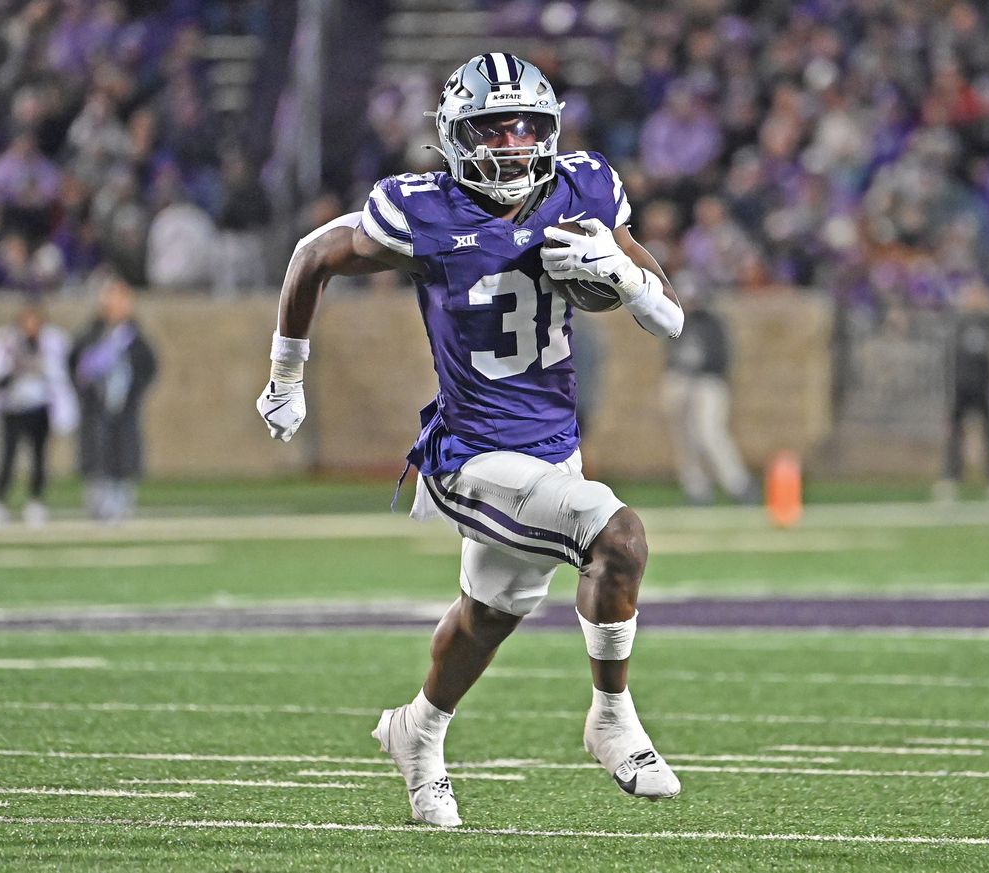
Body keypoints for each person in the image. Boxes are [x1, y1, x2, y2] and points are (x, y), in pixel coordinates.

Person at [257, 53, 686, 827]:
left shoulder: (584, 187)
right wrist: (287, 372)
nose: (514, 145)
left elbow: (670, 317)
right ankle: (610, 716)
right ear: (457, 135)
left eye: (528, 129)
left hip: (553, 446)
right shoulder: (424, 210)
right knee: (616, 535)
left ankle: (416, 732)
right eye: (495, 128)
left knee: (489, 613)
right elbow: (312, 254)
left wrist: (621, 276)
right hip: (471, 453)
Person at [0, 301, 77, 527]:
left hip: (40, 407)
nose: (30, 325)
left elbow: (62, 371)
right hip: (13, 407)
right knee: (8, 457)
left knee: (39, 458)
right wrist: (11, 369)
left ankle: (35, 501)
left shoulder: (53, 341)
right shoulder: (7, 340)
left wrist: (43, 369)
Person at [69, 273, 157, 523]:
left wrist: (133, 391)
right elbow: (75, 365)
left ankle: (121, 499)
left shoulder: (134, 338)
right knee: (96, 450)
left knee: (124, 450)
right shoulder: (91, 335)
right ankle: (98, 499)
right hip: (96, 407)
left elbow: (148, 367)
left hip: (124, 407)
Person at [661, 276, 755, 505]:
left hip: (707, 383)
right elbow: (670, 356)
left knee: (709, 433)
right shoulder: (675, 321)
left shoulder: (711, 323)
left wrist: (695, 370)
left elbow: (720, 359)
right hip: (683, 381)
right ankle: (697, 488)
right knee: (684, 437)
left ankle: (738, 484)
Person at [936, 280, 989, 502]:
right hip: (961, 386)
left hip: (983, 386)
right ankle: (951, 477)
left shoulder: (988, 322)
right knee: (955, 434)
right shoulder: (958, 322)